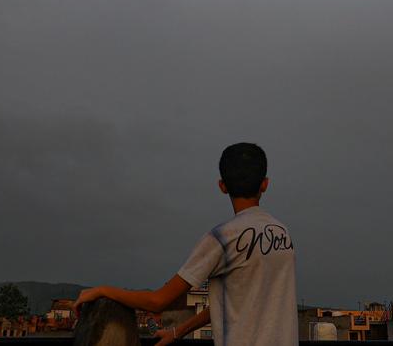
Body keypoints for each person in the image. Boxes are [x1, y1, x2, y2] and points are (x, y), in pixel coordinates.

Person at [73, 142, 297, 346]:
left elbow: (157, 301)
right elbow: (232, 304)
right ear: (265, 184)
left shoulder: (222, 238)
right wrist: (178, 332)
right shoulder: (282, 233)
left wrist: (102, 290)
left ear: (222, 186)